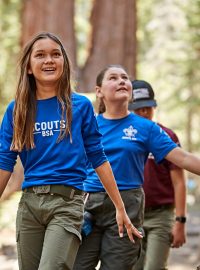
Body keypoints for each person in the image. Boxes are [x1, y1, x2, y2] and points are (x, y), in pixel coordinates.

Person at [0, 33, 142, 270]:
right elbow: (5, 162)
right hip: (29, 205)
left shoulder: (80, 106)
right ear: (28, 67)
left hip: (67, 204)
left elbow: (98, 157)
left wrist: (120, 207)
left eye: (56, 54)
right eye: (41, 55)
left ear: (64, 63)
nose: (49, 60)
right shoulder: (17, 110)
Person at [73, 64, 200, 270]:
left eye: (125, 78)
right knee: (77, 265)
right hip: (89, 204)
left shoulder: (146, 127)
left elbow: (183, 158)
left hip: (128, 204)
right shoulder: (87, 125)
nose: (122, 81)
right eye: (113, 78)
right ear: (99, 91)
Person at [129, 80, 186, 270]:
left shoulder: (167, 136)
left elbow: (179, 182)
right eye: (138, 109)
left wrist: (180, 221)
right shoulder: (124, 137)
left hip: (161, 215)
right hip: (132, 214)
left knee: (154, 266)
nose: (144, 112)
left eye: (148, 107)